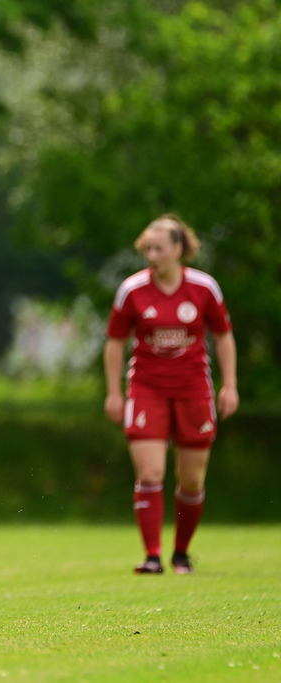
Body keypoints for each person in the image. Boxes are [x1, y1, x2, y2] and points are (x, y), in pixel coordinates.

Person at [103, 214, 239, 575]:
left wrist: (230, 385)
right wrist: (114, 392)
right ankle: (152, 556)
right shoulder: (131, 290)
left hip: (194, 389)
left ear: (179, 249)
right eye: (146, 248)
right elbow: (115, 342)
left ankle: (181, 553)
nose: (151, 254)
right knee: (150, 473)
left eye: (158, 248)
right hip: (146, 389)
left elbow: (223, 337)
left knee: (192, 480)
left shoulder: (204, 288)